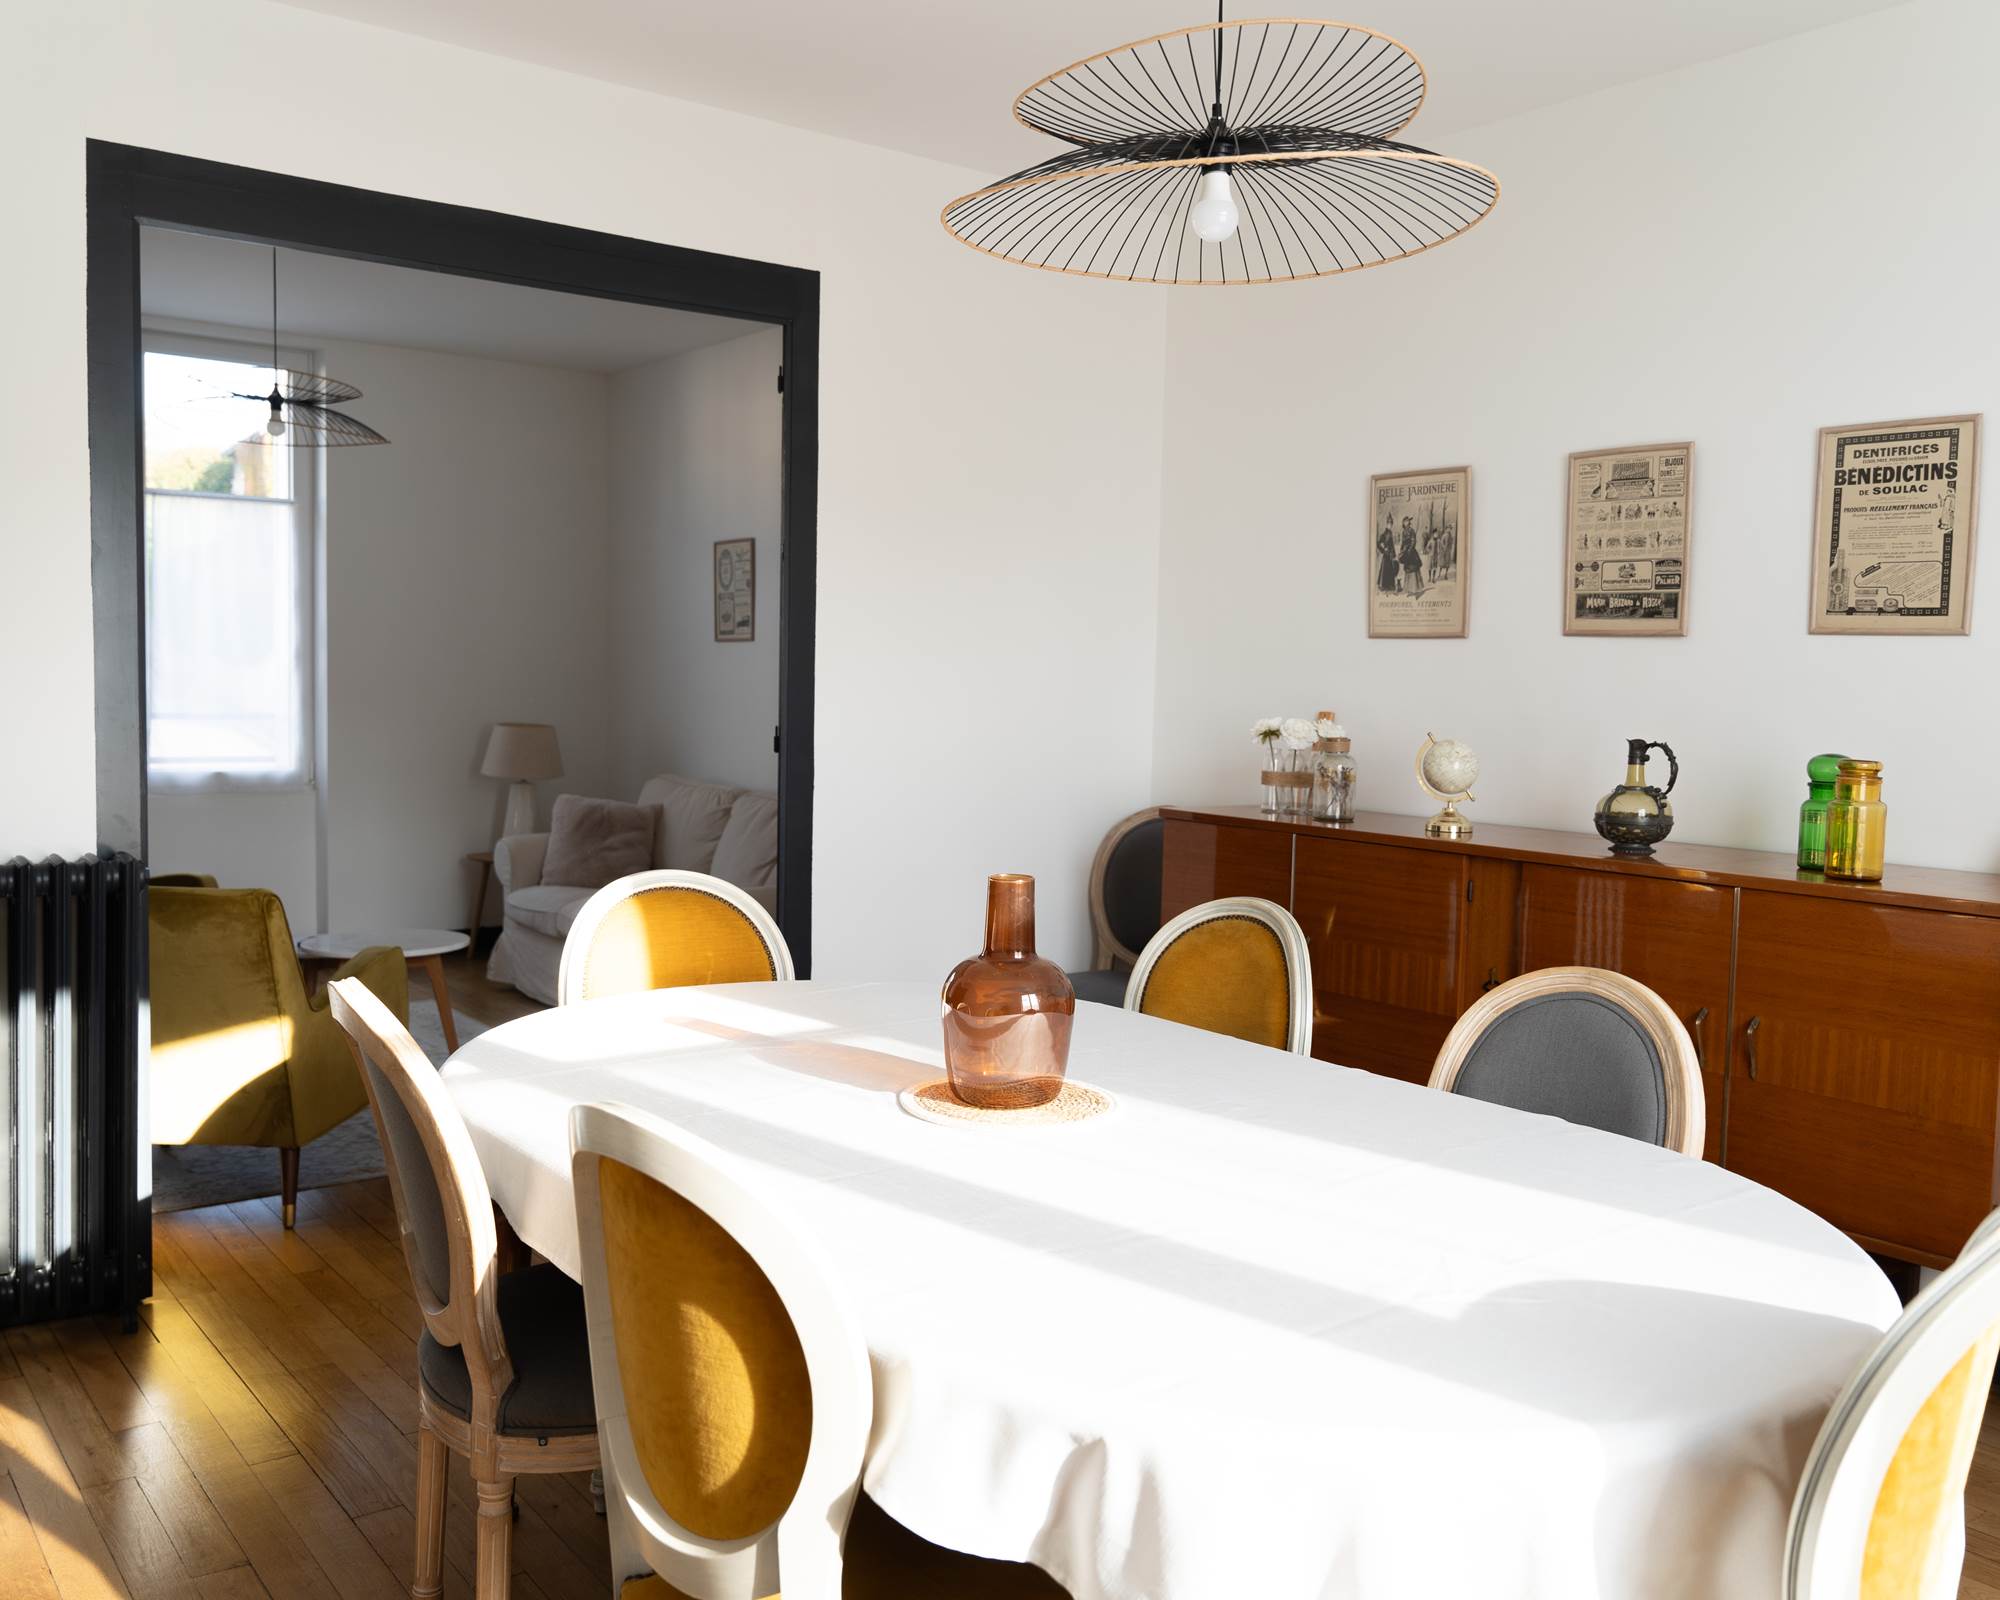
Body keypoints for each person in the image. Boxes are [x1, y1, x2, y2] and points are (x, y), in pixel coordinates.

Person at [1398, 518, 1424, 598]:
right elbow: (1402, 542)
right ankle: (1408, 589)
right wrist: (1402, 551)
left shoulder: (1412, 530)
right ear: (1403, 523)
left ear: (1409, 522)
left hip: (1411, 553)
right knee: (1407, 570)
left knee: (1413, 570)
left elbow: (1413, 541)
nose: (1406, 523)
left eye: (1407, 521)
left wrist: (1409, 551)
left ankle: (1416, 590)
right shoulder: (1403, 532)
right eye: (1405, 522)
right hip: (1406, 552)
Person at [1376, 521, 1398, 593]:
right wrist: (1384, 549)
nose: (1390, 526)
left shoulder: (1390, 533)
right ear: (1387, 524)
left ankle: (1390, 586)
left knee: (1390, 570)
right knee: (1385, 569)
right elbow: (1378, 543)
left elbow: (1392, 545)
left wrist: (1394, 554)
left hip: (1390, 555)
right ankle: (1383, 586)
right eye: (1389, 524)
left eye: (1391, 525)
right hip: (1386, 555)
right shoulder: (1384, 533)